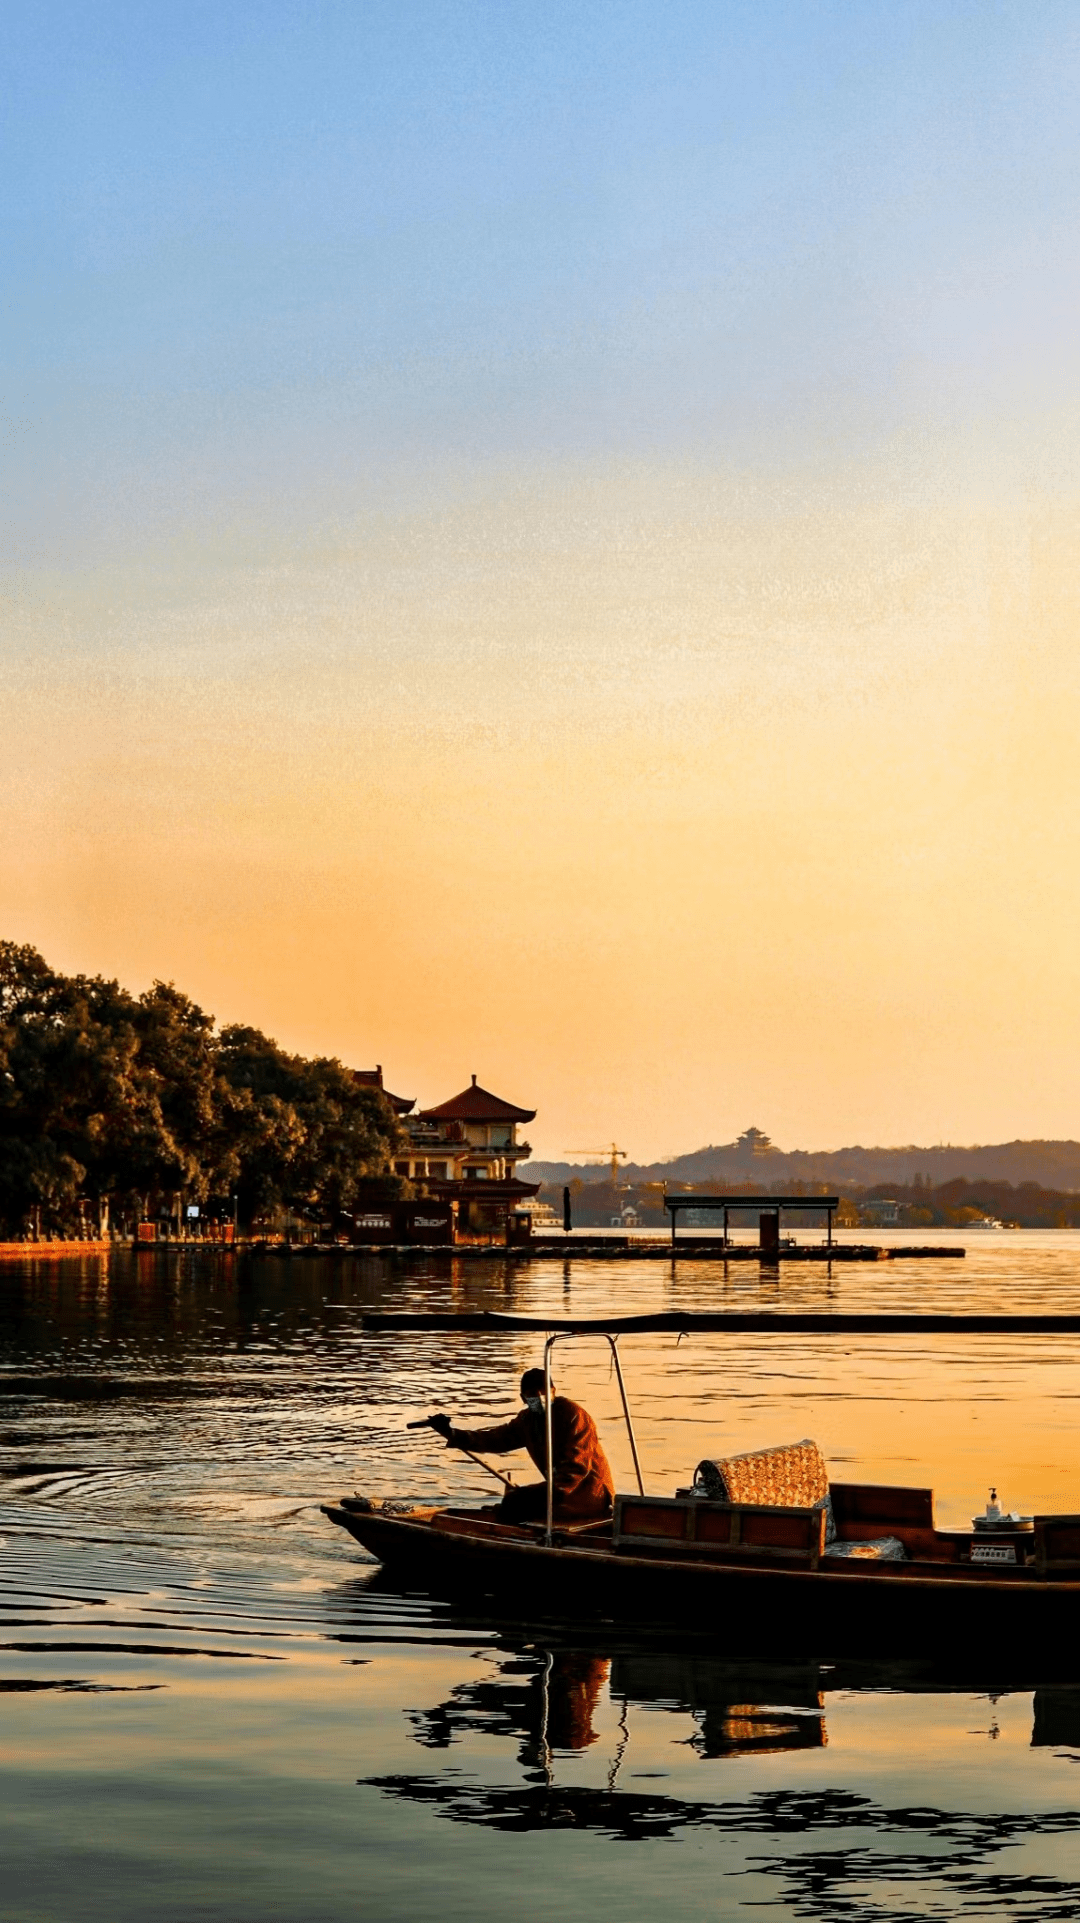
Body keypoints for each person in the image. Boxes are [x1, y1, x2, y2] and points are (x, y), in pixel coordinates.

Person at [429, 1369, 614, 1524]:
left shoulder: (573, 1415)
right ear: (523, 1398)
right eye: (533, 1394)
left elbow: (575, 1469)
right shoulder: (526, 1420)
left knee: (515, 1501)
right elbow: (494, 1438)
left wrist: (537, 1495)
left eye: (544, 1391)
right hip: (561, 1492)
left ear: (554, 1391)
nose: (539, 1397)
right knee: (514, 1501)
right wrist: (451, 1433)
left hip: (591, 1494)